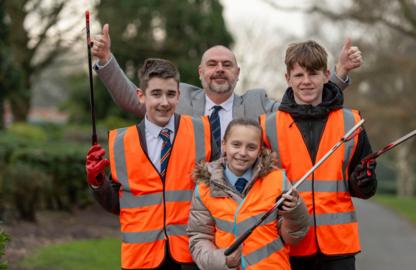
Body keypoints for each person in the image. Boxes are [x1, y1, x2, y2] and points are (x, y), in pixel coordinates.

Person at [91, 24, 362, 152]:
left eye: (226, 64)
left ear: (237, 74)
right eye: (212, 64)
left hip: (241, 213)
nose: (219, 69)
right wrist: (106, 60)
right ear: (200, 73)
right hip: (190, 211)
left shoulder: (257, 104)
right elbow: (132, 100)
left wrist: (339, 74)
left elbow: (306, 107)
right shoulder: (180, 98)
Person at [85, 58, 213, 269]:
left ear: (179, 96)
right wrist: (98, 182)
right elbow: (118, 204)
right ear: (141, 95)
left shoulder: (202, 132)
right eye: (156, 94)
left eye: (171, 94)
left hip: (190, 257)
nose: (164, 102)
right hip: (140, 258)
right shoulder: (121, 143)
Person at [259, 41, 377, 270]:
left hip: (338, 247)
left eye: (313, 74)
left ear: (326, 75)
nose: (306, 81)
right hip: (288, 243)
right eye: (299, 75)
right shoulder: (268, 126)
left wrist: (362, 181)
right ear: (288, 78)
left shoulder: (351, 123)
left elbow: (366, 189)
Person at [187, 118, 310, 270]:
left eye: (251, 147)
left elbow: (293, 237)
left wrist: (295, 212)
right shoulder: (205, 187)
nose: (242, 153)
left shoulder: (277, 180)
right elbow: (199, 238)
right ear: (224, 145)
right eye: (236, 145)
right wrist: (222, 260)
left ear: (260, 150)